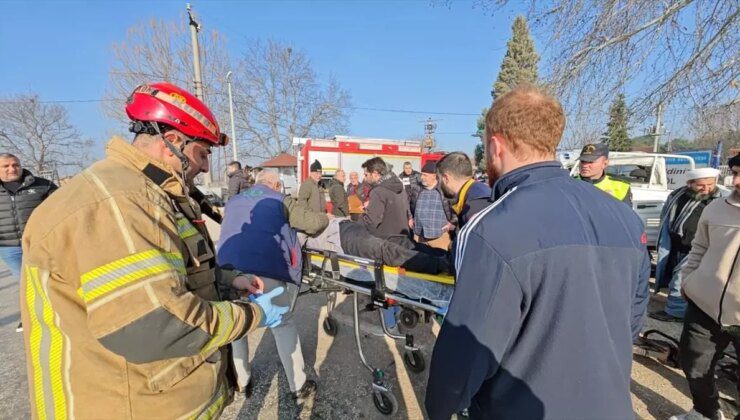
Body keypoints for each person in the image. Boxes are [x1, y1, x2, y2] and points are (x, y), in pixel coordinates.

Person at [19, 82, 288, 419]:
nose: (206, 167)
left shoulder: (148, 193)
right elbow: (157, 324)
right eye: (202, 153)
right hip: (127, 405)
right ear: (172, 142)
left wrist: (228, 281)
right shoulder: (123, 201)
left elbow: (174, 271)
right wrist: (253, 315)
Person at [425, 84, 649, 419]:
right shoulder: (626, 219)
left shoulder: (492, 227)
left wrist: (439, 408)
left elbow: (466, 350)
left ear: (496, 145)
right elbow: (632, 318)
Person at [218, 169, 329, 400]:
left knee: (238, 326)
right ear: (276, 185)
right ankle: (298, 386)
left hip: (227, 272)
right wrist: (325, 217)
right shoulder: (280, 200)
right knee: (281, 322)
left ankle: (242, 380)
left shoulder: (233, 201)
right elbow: (312, 224)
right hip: (263, 271)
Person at [669, 154, 740, 420]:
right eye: (734, 173)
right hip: (705, 305)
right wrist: (689, 281)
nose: (735, 180)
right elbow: (699, 248)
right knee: (694, 362)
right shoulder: (716, 208)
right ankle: (706, 412)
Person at [650, 167, 723, 322]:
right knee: (672, 276)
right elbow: (666, 216)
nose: (707, 188)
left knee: (680, 279)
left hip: (699, 248)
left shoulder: (721, 200)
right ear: (690, 183)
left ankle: (675, 313)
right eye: (701, 185)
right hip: (674, 245)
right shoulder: (677, 195)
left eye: (710, 184)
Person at [0, 153, 57, 332]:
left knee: (49, 279)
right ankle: (30, 317)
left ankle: (59, 313)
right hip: (9, 247)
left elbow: (61, 206)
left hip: (38, 243)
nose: (12, 169)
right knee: (25, 282)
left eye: (15, 164)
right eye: (6, 166)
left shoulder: (42, 185)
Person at [360, 157, 411, 241]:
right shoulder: (400, 186)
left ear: (375, 174)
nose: (365, 178)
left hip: (385, 242)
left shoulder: (378, 191)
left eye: (366, 175)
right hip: (403, 238)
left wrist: (364, 215)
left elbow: (371, 222)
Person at [436, 151, 492, 228]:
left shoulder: (472, 207)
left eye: (439, 179)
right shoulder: (478, 192)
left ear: (446, 178)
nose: (438, 184)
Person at [413, 161, 455, 250]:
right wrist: (410, 217)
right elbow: (410, 204)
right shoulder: (417, 189)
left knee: (442, 262)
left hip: (439, 237)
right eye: (422, 174)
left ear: (434, 176)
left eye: (425, 175)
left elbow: (455, 208)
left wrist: (453, 223)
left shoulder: (445, 190)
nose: (422, 177)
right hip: (420, 235)